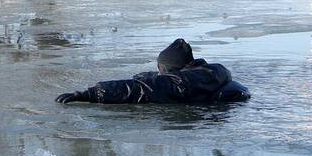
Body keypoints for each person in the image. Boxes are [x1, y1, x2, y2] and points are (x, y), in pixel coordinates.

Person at [55, 38, 250, 105]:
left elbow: (143, 89)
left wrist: (89, 94)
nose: (159, 73)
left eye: (161, 69)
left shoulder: (182, 83)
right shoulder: (210, 72)